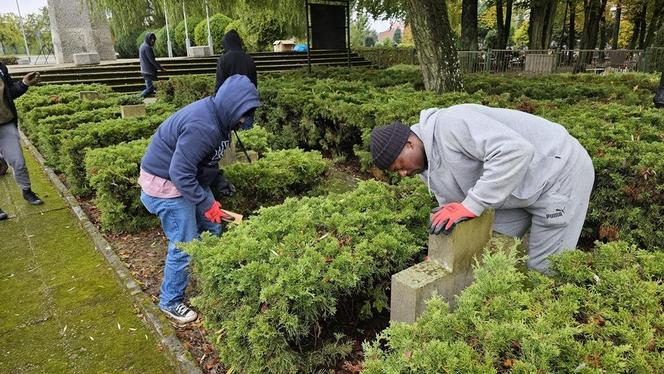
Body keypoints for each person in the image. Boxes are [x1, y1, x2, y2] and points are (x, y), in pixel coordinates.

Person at [369, 104, 594, 273]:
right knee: (487, 250)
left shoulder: (451, 125)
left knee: (544, 269)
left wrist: (473, 204)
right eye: (395, 171)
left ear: (409, 144)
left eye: (399, 165)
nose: (402, 173)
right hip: (517, 187)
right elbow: (453, 210)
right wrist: (443, 255)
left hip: (558, 172)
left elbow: (516, 151)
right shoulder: (425, 166)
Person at [139, 74, 260, 323]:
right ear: (232, 106)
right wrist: (208, 204)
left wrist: (218, 180)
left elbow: (205, 160)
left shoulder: (221, 120)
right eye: (244, 114)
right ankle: (170, 300)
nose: (245, 120)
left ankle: (208, 275)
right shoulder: (203, 126)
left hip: (185, 178)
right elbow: (180, 172)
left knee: (212, 226)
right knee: (186, 243)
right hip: (166, 185)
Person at [0, 62, 44, 221]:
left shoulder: (1, 68)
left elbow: (10, 92)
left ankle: (27, 191)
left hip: (5, 124)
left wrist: (24, 83)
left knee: (18, 161)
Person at [139, 32, 166, 98]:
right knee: (151, 88)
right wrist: (161, 68)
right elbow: (152, 60)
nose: (152, 40)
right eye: (151, 39)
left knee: (154, 88)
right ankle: (136, 99)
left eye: (154, 39)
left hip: (145, 71)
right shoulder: (147, 47)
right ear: (147, 39)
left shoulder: (142, 46)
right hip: (149, 72)